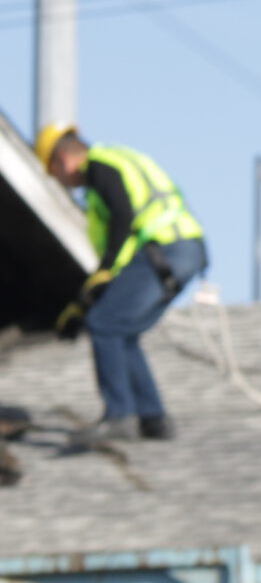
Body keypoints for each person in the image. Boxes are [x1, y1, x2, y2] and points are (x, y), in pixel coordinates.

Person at [36, 124, 209, 446]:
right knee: (122, 330)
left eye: (54, 173)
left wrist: (105, 272)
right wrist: (88, 296)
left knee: (104, 323)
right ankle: (153, 419)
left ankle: (119, 417)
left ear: (64, 160)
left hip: (162, 251)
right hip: (183, 250)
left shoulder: (99, 166)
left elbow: (122, 217)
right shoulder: (115, 159)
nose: (60, 182)